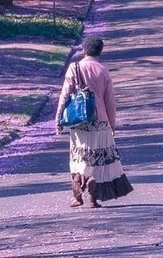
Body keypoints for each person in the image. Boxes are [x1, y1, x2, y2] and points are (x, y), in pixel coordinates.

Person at [55, 36, 133, 208]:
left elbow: (64, 95)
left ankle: (77, 194)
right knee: (97, 161)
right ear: (100, 51)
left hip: (79, 121)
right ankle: (93, 197)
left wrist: (58, 118)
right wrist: (112, 124)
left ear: (84, 50)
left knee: (78, 158)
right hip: (100, 121)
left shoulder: (73, 68)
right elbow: (110, 101)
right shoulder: (103, 71)